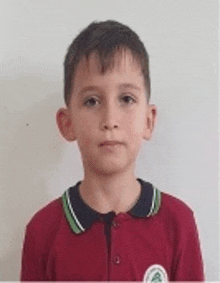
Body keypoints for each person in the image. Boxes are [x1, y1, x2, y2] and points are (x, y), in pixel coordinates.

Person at [20, 20, 204, 281]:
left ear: (149, 120)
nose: (110, 119)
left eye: (126, 99)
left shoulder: (178, 222)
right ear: (67, 123)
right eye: (92, 101)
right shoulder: (42, 231)